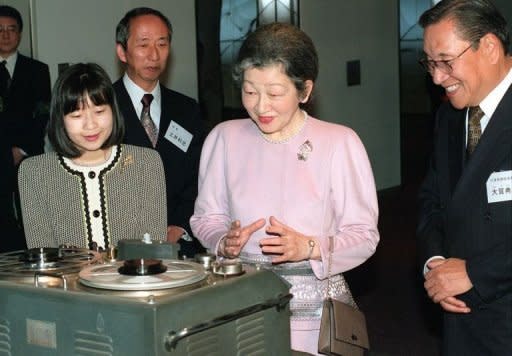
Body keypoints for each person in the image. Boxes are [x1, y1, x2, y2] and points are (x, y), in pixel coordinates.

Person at [190, 23, 379, 355]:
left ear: (305, 90)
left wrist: (309, 246)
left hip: (317, 316)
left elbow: (364, 235)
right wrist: (223, 240)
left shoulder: (339, 142)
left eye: (275, 93)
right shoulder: (224, 138)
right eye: (250, 91)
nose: (262, 106)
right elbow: (206, 218)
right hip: (241, 303)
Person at [417, 0, 512, 354]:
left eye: (446, 61)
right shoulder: (450, 117)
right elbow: (432, 200)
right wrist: (435, 263)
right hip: (461, 316)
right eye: (430, 64)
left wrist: (476, 273)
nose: (437, 78)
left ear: (488, 47)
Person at [18, 63, 167, 250]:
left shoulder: (146, 164)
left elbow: (151, 250)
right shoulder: (35, 173)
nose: (90, 125)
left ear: (113, 110)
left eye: (99, 111)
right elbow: (44, 258)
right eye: (77, 115)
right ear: (60, 119)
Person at [114, 7, 205, 258]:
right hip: (120, 246)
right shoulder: (102, 108)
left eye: (162, 44)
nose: (154, 55)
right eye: (143, 44)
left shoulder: (187, 109)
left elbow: (199, 175)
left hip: (179, 244)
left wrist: (180, 225)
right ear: (122, 51)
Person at [0, 5, 51, 163]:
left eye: (11, 29)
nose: (5, 35)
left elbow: (43, 114)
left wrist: (22, 149)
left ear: (19, 34)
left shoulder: (38, 70)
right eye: (0, 29)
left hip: (27, 156)